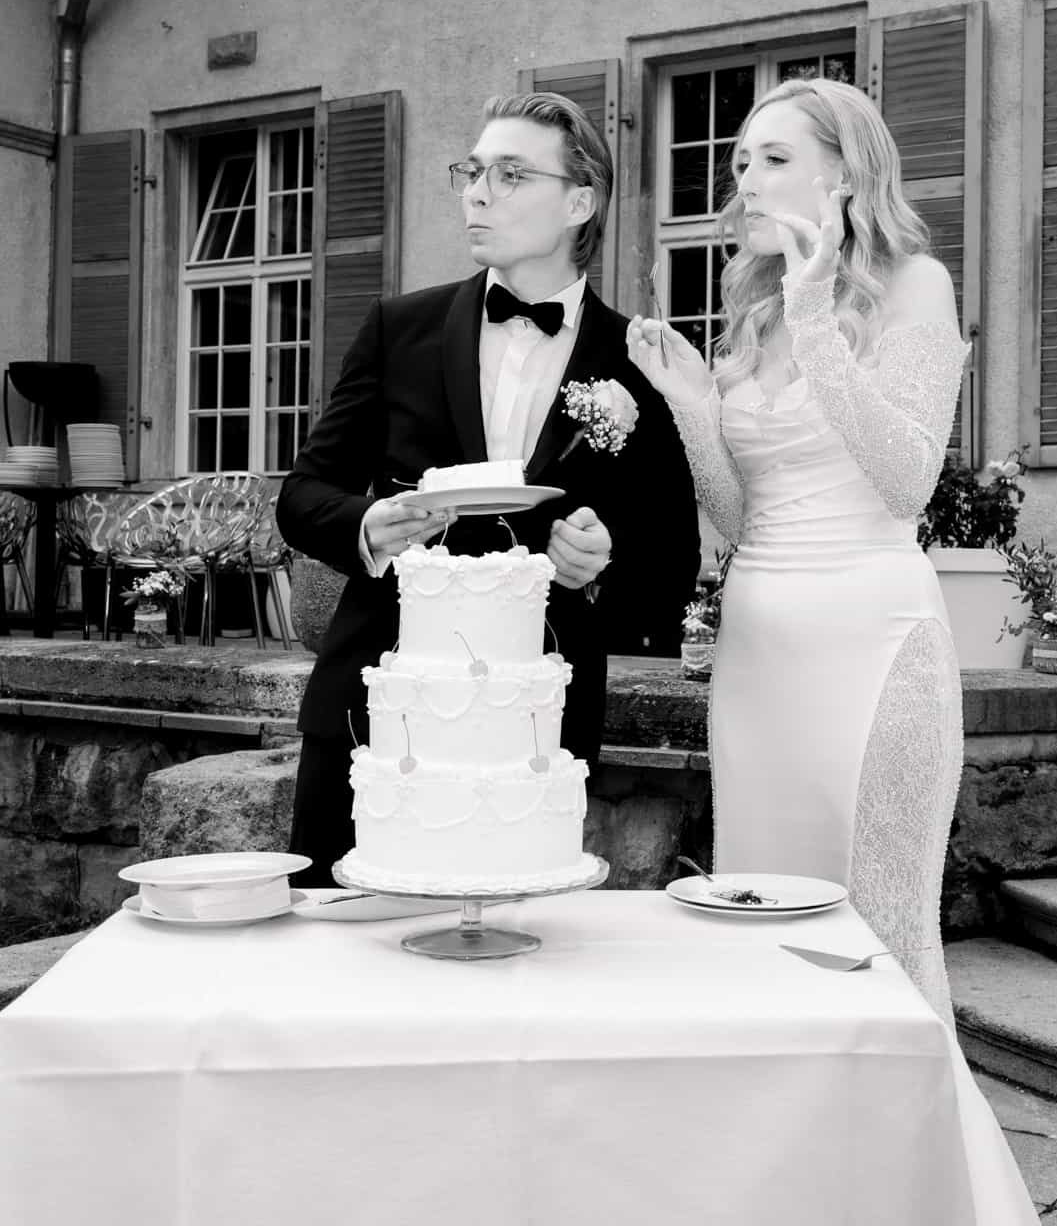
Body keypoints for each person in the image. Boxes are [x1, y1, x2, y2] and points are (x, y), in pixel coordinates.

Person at [278, 90, 700, 884]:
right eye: (472, 172)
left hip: (534, 731)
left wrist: (602, 563)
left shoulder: (637, 360)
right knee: (335, 938)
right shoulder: (398, 328)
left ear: (579, 202)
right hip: (372, 709)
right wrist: (368, 523)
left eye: (510, 174)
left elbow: (671, 566)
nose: (476, 193)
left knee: (514, 945)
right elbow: (302, 496)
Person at [628, 75, 971, 1023]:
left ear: (845, 176)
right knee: (762, 916)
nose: (745, 180)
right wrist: (692, 406)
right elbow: (742, 521)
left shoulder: (916, 285)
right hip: (757, 657)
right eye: (741, 161)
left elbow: (907, 480)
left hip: (873, 640)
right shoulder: (757, 312)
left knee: (881, 929)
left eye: (774, 158)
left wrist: (818, 316)